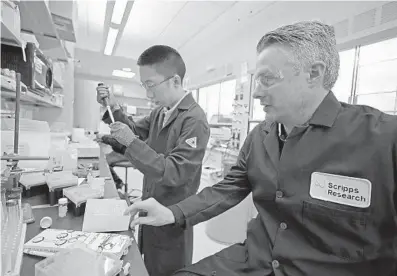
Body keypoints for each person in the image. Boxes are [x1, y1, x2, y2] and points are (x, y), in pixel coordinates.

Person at [123, 21, 397, 276]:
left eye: (268, 79)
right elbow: (226, 190)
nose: (255, 92)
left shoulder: (383, 140)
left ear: (314, 73)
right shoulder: (260, 137)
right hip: (256, 262)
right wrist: (171, 213)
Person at [96, 45, 210, 276]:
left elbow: (174, 172)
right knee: (147, 265)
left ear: (175, 81)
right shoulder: (161, 111)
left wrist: (132, 142)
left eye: (151, 85)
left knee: (168, 269)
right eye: (144, 85)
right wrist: (113, 107)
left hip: (171, 216)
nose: (148, 94)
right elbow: (134, 130)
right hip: (150, 205)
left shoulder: (194, 120)